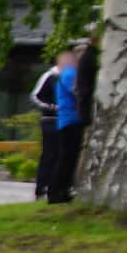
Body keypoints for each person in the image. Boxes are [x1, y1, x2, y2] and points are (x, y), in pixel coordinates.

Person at [28, 49, 72, 199]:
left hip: (66, 120)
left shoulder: (70, 78)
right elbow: (34, 96)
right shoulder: (49, 76)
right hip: (50, 120)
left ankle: (58, 187)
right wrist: (50, 107)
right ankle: (41, 188)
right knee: (49, 154)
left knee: (63, 155)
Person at [46, 44, 87, 204]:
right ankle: (56, 191)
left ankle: (62, 190)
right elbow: (77, 92)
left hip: (69, 119)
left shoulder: (70, 73)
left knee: (68, 158)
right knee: (66, 158)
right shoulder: (71, 73)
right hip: (70, 120)